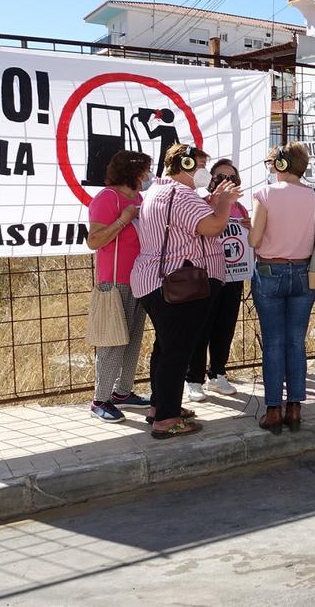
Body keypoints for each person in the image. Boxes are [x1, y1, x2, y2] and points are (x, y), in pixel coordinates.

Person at [131, 143, 238, 438]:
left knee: (166, 348)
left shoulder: (159, 190)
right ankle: (166, 419)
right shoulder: (182, 195)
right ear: (187, 165)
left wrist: (212, 201)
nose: (206, 172)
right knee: (176, 352)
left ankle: (161, 406)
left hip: (155, 280)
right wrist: (225, 203)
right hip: (178, 283)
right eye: (201, 165)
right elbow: (213, 227)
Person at [248, 142, 315, 433]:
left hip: (269, 270)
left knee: (274, 342)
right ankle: (295, 407)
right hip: (304, 272)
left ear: (280, 165)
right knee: (296, 341)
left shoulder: (265, 194)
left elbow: (254, 240)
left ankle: (273, 410)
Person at [87, 150, 154, 423]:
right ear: (133, 172)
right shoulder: (107, 198)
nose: (149, 175)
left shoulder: (138, 199)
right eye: (146, 170)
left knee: (133, 339)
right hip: (114, 282)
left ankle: (123, 392)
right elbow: (94, 240)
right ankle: (100, 399)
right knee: (113, 341)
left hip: (139, 279)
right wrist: (123, 219)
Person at [184, 158, 250, 402]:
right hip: (207, 275)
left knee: (225, 325)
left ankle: (218, 373)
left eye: (232, 177)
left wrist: (250, 226)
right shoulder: (201, 204)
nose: (226, 181)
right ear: (211, 180)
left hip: (234, 274)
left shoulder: (240, 208)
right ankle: (193, 379)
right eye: (221, 177)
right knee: (201, 326)